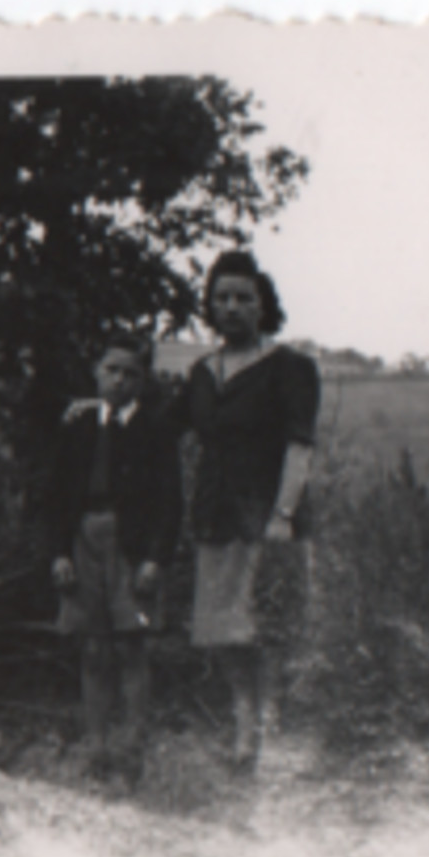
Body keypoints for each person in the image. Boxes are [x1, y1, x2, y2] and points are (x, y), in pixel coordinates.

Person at [171, 250, 320, 770]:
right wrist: (92, 406)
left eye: (243, 298)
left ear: (263, 306)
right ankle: (244, 729)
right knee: (225, 636)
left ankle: (265, 736)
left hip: (267, 520)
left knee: (266, 630)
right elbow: (161, 425)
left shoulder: (290, 368)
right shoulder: (203, 374)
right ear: (211, 308)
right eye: (222, 299)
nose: (232, 307)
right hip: (217, 519)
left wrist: (283, 515)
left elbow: (300, 447)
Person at [43, 333, 183, 784]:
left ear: (143, 382)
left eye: (131, 373)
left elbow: (169, 499)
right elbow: (57, 495)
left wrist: (155, 559)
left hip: (131, 543)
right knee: (93, 647)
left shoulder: (155, 429)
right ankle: (97, 747)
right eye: (112, 370)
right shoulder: (79, 425)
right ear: (96, 373)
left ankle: (132, 751)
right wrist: (59, 552)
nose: (120, 380)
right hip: (85, 538)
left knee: (131, 646)